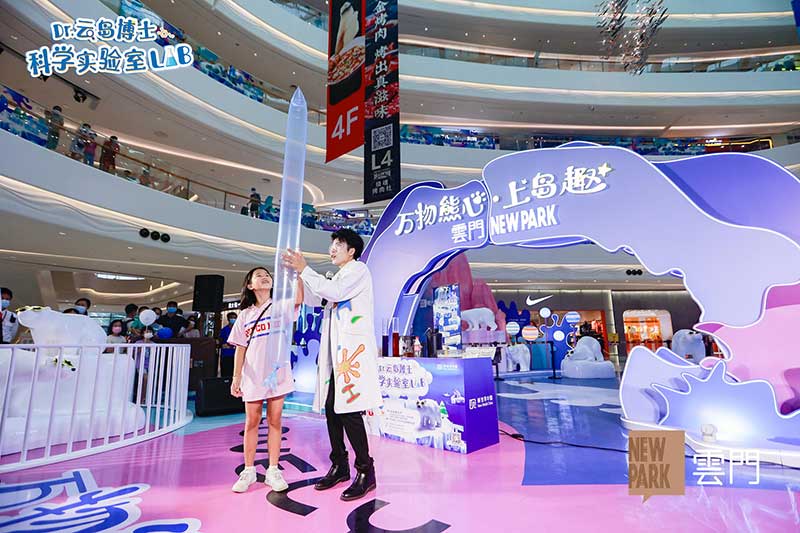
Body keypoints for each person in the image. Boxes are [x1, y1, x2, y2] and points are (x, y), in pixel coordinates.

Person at [282, 228, 381, 501]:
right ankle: (340, 465)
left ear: (352, 251)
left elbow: (334, 292)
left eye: (339, 244)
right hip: (338, 356)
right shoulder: (339, 276)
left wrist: (305, 269)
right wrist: (299, 276)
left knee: (349, 411)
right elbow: (320, 298)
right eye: (332, 243)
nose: (333, 248)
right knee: (332, 409)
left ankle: (366, 470)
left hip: (351, 355)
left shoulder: (358, 270)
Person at [227, 267, 302, 494]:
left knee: (275, 420)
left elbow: (298, 298)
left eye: (267, 274)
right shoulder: (245, 315)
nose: (265, 276)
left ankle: (273, 470)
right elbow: (240, 348)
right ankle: (249, 470)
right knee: (252, 421)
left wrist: (298, 273)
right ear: (250, 285)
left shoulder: (280, 306)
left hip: (278, 374)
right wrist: (236, 377)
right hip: (252, 375)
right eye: (258, 275)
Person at [218, 312, 237, 377]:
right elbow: (220, 341)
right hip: (226, 355)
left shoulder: (238, 329)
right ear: (228, 319)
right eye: (232, 318)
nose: (233, 319)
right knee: (226, 373)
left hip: (235, 355)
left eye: (235, 318)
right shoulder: (224, 330)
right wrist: (223, 345)